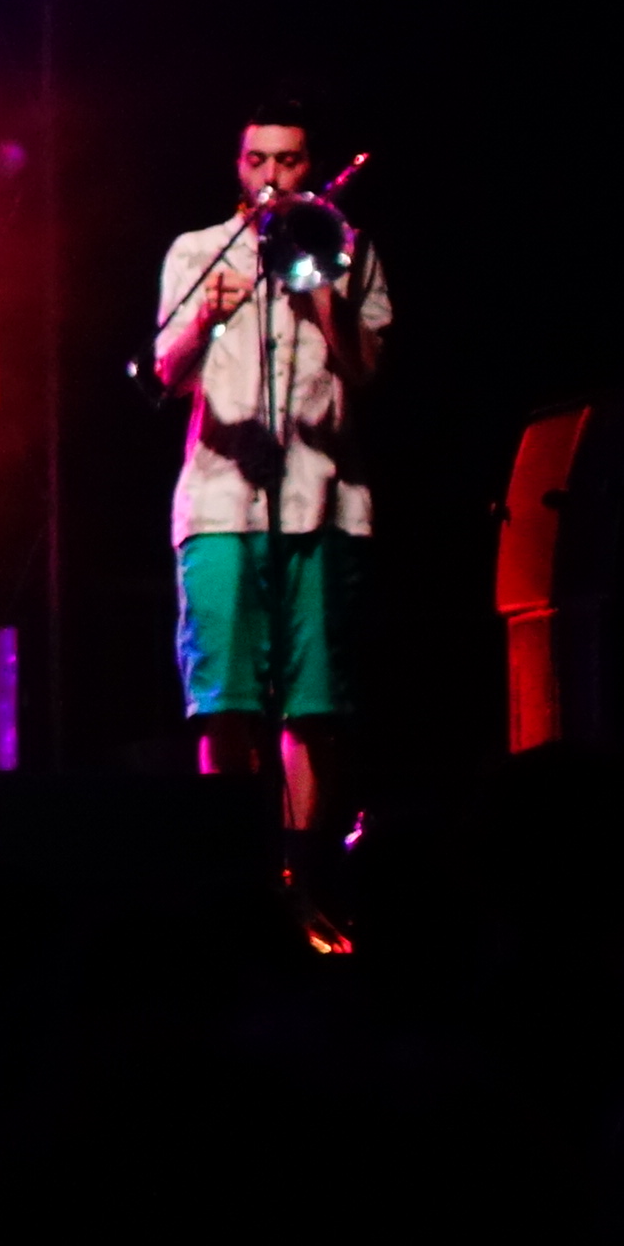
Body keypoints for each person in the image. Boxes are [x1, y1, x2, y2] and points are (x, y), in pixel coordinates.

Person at [151, 110, 390, 949]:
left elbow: (366, 369)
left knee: (313, 706)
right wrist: (206, 318)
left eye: (287, 162)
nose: (271, 177)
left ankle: (305, 879)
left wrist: (319, 285)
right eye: (258, 160)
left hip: (326, 502)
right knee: (226, 703)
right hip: (220, 506)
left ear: (309, 168)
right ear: (239, 164)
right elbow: (162, 375)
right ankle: (236, 883)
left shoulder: (348, 247)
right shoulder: (196, 251)